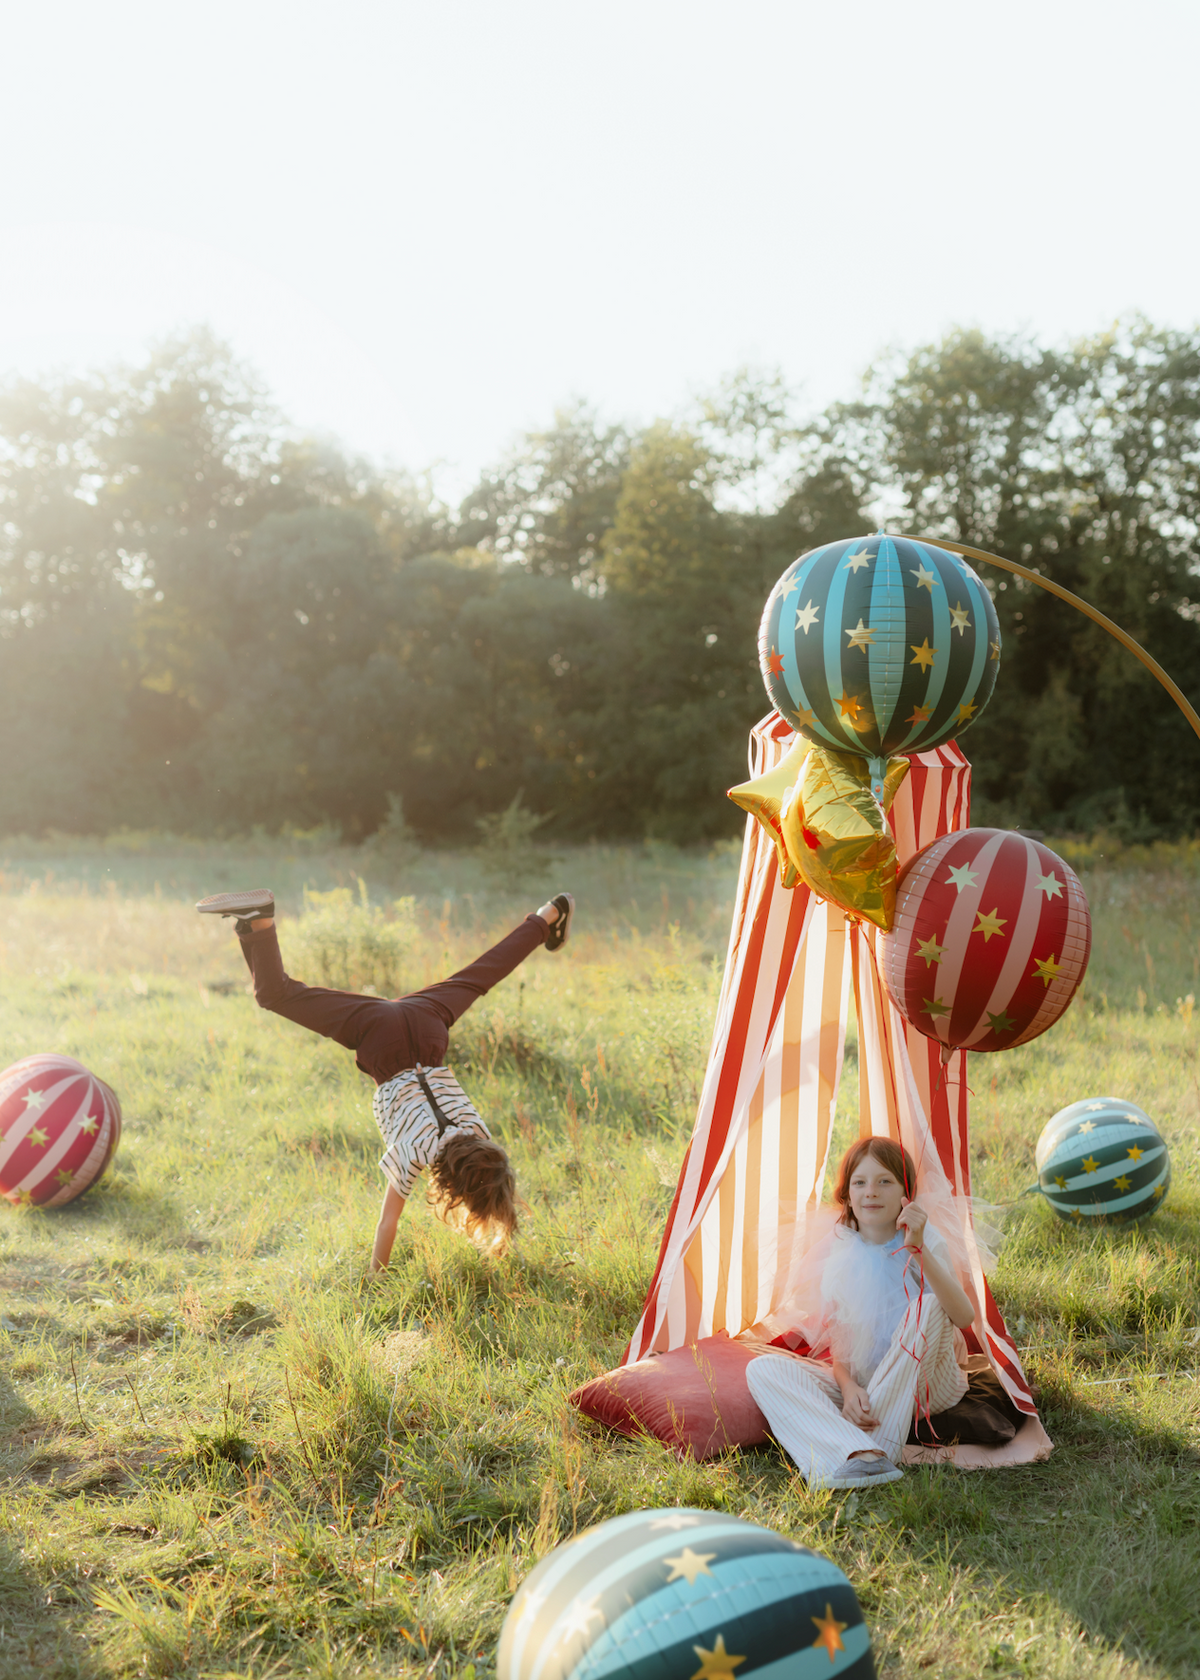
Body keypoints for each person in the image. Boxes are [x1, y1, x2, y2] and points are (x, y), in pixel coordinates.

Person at [195, 887, 573, 1269]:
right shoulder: (413, 1154)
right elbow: (387, 1222)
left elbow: (490, 1173)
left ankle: (548, 914)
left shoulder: (477, 1132)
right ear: (455, 1189)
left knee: (485, 971)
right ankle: (260, 920)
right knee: (276, 995)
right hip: (379, 1039)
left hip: (425, 1023)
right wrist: (375, 1280)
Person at [746, 1136, 977, 1490]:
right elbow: (843, 1348)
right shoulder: (840, 1251)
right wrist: (850, 1387)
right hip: (869, 1386)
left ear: (906, 1193)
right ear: (848, 1196)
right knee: (763, 1368)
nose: (872, 1191)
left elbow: (962, 1316)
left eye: (885, 1181)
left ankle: (860, 1449)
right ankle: (867, 1454)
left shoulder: (924, 1240)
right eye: (860, 1182)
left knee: (928, 1305)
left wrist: (917, 1250)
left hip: (929, 1382)